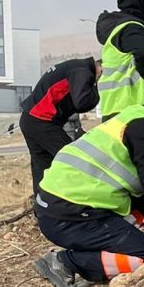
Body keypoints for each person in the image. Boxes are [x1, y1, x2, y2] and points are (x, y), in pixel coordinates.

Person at [32, 84, 144, 287]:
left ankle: (76, 257)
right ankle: (65, 261)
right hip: (70, 215)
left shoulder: (130, 118)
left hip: (59, 208)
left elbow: (142, 192)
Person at [20, 57, 102, 193]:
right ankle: (83, 199)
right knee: (72, 159)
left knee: (43, 168)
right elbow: (82, 102)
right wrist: (95, 89)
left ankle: (42, 206)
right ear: (100, 69)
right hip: (41, 121)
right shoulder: (82, 71)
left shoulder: (74, 66)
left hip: (29, 119)